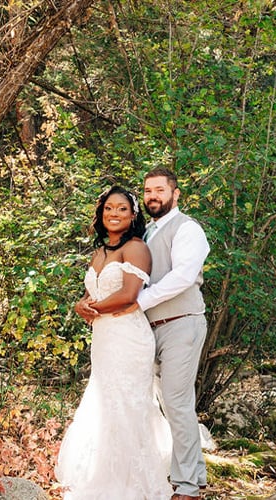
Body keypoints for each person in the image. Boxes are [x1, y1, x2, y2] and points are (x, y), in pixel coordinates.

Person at [55, 186, 173, 499]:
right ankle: (100, 470)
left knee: (126, 402)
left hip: (128, 337)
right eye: (109, 208)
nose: (114, 214)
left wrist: (90, 308)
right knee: (105, 400)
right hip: (104, 337)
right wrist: (81, 305)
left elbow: (127, 295)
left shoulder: (135, 248)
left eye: (122, 209)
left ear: (134, 215)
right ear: (101, 213)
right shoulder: (100, 251)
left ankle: (132, 480)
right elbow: (93, 292)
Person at [135, 167, 210, 500]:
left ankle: (188, 487)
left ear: (175, 194)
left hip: (182, 323)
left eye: (160, 190)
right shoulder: (148, 233)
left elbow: (182, 277)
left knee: (177, 404)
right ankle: (196, 474)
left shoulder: (187, 229)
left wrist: (137, 302)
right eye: (148, 190)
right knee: (170, 403)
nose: (153, 196)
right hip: (152, 330)